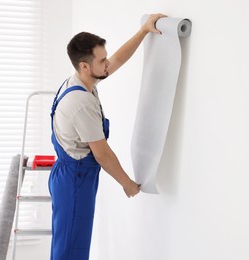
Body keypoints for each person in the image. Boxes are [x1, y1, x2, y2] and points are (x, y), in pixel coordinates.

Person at [48, 13, 167, 260]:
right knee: (71, 250)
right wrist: (127, 183)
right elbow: (102, 154)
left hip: (71, 174)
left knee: (69, 244)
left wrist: (144, 30)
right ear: (84, 65)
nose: (107, 64)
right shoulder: (80, 101)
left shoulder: (80, 80)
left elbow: (117, 59)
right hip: (75, 179)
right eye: (101, 60)